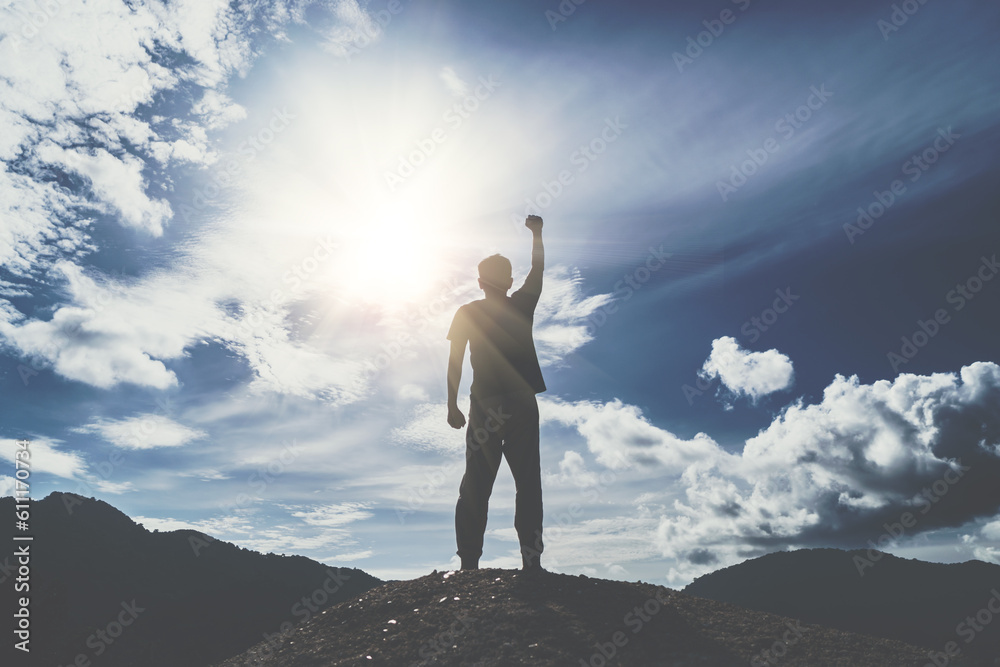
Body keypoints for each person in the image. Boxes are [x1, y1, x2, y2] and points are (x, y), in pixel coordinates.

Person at [446, 214, 547, 572]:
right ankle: (531, 563)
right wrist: (536, 234)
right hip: (520, 401)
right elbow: (538, 269)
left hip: (486, 405)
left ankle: (469, 563)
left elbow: (455, 360)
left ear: (479, 282)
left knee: (476, 483)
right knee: (528, 483)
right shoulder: (521, 304)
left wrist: (451, 404)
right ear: (509, 281)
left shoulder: (467, 312)